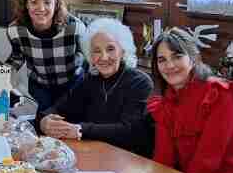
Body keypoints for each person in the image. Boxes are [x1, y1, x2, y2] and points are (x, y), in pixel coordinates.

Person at [148, 27, 233, 173]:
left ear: (193, 58)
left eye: (177, 56)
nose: (169, 66)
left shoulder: (220, 94)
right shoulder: (167, 101)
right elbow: (164, 158)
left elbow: (206, 160)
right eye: (162, 60)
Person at [37, 18, 154, 156]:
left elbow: (129, 131)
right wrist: (44, 121)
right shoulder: (89, 80)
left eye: (110, 49)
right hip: (94, 153)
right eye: (96, 51)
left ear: (123, 51)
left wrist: (80, 130)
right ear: (90, 56)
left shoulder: (140, 82)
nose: (104, 57)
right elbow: (59, 108)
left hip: (129, 159)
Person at [6, 0, 86, 112]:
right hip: (39, 86)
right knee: (44, 119)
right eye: (34, 2)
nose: (41, 8)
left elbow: (87, 58)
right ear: (26, 4)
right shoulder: (15, 30)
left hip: (71, 84)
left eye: (47, 2)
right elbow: (17, 58)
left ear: (56, 4)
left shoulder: (75, 28)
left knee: (67, 120)